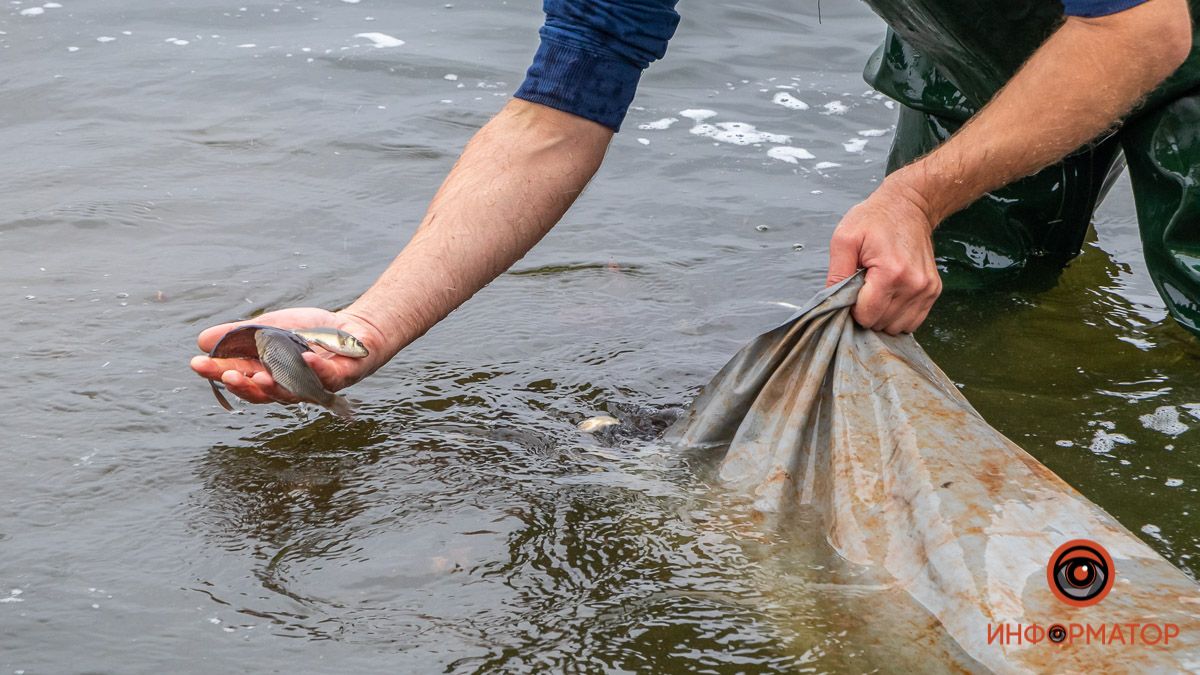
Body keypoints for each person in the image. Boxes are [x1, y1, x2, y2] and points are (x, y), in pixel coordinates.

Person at [191, 0, 1195, 407]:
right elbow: (554, 117)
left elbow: (1144, 28)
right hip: (979, 59)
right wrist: (367, 325)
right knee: (956, 336)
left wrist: (917, 191)